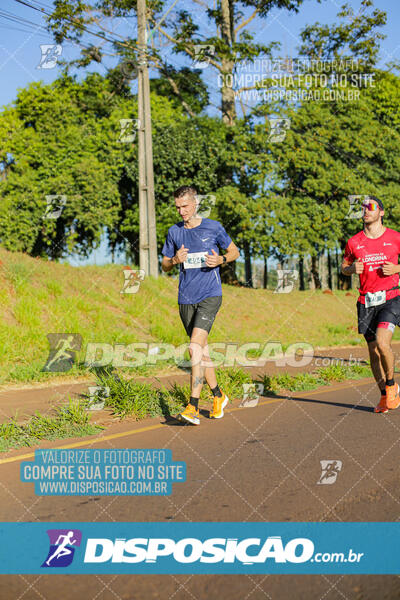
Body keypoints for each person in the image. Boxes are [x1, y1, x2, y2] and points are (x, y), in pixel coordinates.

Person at [161, 185, 239, 425]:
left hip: (210, 294)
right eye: (178, 207)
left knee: (194, 348)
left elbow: (235, 251)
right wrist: (175, 259)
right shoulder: (174, 232)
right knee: (201, 351)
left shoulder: (213, 227)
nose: (181, 211)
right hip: (185, 298)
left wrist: (222, 259)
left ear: (195, 204)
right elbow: (164, 264)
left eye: (185, 206)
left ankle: (193, 406)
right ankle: (218, 395)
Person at [341, 196, 400, 413]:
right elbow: (343, 266)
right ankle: (384, 396)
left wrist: (397, 269)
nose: (366, 211)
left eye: (371, 207)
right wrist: (350, 269)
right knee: (374, 353)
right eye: (363, 208)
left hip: (391, 298)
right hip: (366, 301)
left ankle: (392, 385)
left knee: (383, 343)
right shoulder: (353, 241)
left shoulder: (395, 237)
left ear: (381, 212)